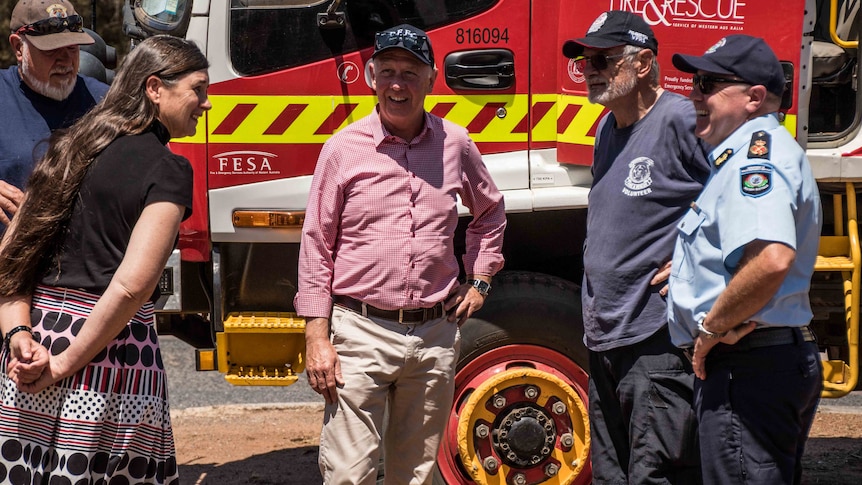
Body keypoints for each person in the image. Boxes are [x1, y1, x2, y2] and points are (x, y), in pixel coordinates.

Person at [294, 24, 506, 484]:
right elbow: (316, 244)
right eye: (387, 71)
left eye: (410, 72)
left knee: (416, 476)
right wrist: (316, 337)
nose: (397, 84)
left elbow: (490, 211)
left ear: (431, 79)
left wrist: (481, 280)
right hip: (360, 332)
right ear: (371, 77)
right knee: (349, 474)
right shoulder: (342, 149)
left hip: (434, 334)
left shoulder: (456, 144)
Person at [0, 35, 211, 484]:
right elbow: (131, 286)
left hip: (36, 341)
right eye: (199, 89)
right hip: (111, 353)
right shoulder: (169, 169)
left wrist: (18, 334)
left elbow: (10, 259)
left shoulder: (66, 148)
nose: (205, 104)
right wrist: (64, 364)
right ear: (155, 88)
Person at [561, 10, 710, 484]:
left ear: (643, 63)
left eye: (603, 60)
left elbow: (745, 202)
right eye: (586, 61)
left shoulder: (683, 120)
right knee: (611, 475)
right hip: (605, 337)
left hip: (655, 338)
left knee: (654, 475)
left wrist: (699, 263)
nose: (589, 70)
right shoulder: (609, 126)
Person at [668, 35, 823, 485]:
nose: (694, 93)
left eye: (708, 83)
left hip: (748, 367)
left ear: (755, 97)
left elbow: (772, 259)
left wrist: (710, 330)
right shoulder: (750, 155)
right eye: (694, 80)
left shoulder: (754, 162)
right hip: (761, 362)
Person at [0, 0, 108, 228]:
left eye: (72, 48)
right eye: (52, 50)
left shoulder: (105, 103)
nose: (66, 60)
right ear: (19, 48)